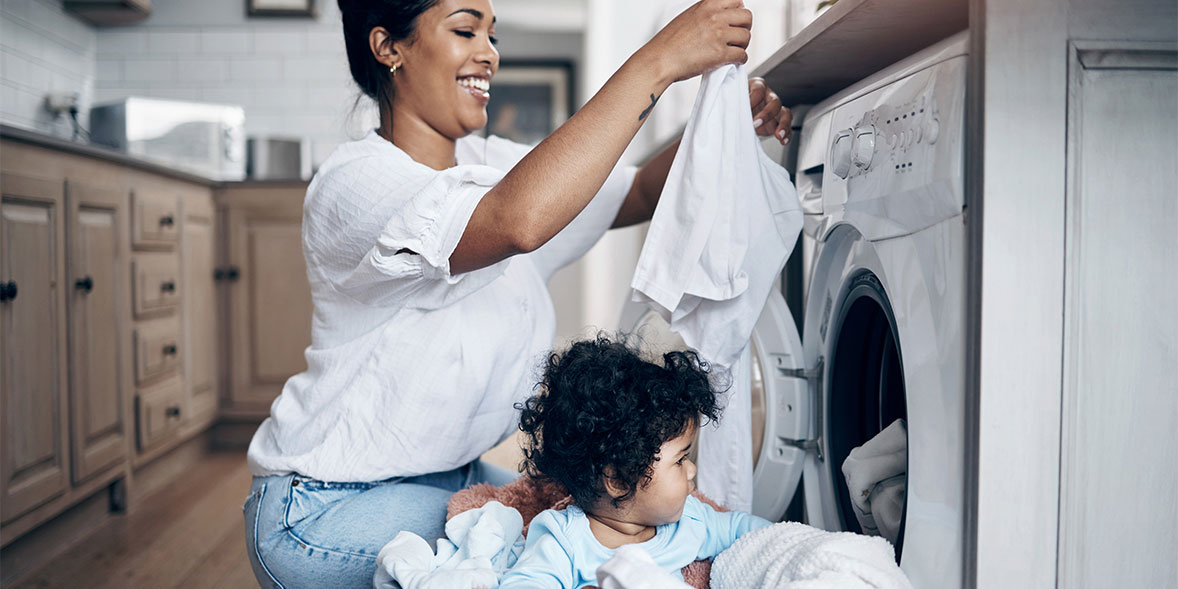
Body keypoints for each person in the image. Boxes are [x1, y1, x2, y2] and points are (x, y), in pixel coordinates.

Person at [242, 0, 793, 587]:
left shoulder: (491, 162)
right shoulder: (356, 184)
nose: (488, 52)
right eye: (464, 29)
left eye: (492, 33)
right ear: (388, 47)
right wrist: (659, 61)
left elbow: (634, 192)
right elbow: (516, 219)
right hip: (324, 507)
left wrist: (726, 120)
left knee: (617, 515)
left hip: (449, 476)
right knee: (552, 549)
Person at [500, 335, 772, 587]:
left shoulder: (690, 520)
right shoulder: (565, 541)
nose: (692, 470)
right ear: (618, 480)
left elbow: (750, 532)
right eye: (680, 460)